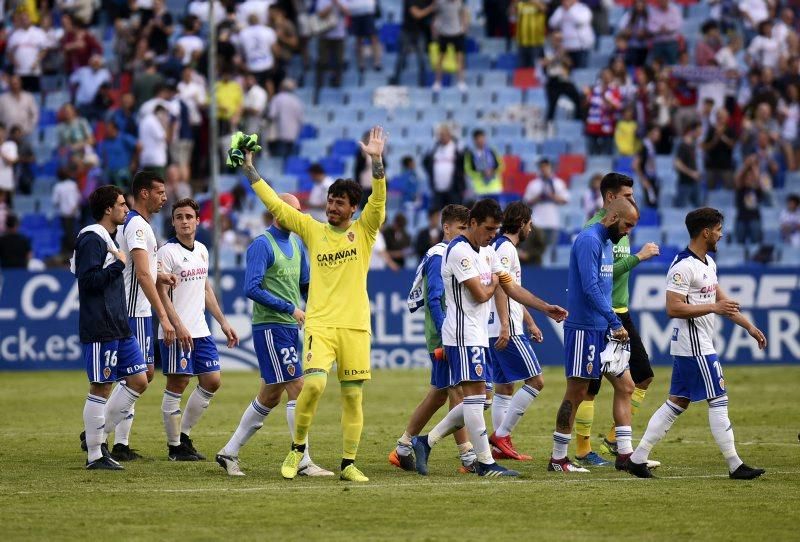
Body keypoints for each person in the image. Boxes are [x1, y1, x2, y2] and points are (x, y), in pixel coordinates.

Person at [241, 126, 388, 482]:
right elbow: (276, 205)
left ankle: (348, 463)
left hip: (354, 326)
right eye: (330, 200)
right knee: (314, 386)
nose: (333, 207)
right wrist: (250, 169)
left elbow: (379, 200)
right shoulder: (313, 230)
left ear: (354, 208)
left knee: (353, 398)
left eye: (340, 203)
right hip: (319, 325)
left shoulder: (366, 230)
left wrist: (377, 161)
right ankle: (297, 450)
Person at [412, 199, 568, 477]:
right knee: (474, 399)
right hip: (461, 335)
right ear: (472, 223)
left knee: (480, 399)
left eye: (496, 230)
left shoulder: (486, 250)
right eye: (488, 229)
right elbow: (482, 294)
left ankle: (426, 441)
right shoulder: (458, 251)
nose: (493, 235)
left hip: (479, 334)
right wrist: (497, 280)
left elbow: (511, 287)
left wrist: (545, 308)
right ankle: (485, 462)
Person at [628, 208, 767, 480]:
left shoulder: (708, 264)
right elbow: (672, 308)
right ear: (705, 232)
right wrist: (714, 307)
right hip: (695, 346)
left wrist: (749, 326)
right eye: (717, 229)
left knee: (676, 403)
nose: (721, 234)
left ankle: (637, 458)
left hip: (695, 345)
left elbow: (723, 303)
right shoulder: (683, 266)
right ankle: (735, 464)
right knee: (718, 399)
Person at [216, 193, 332, 477]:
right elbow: (251, 288)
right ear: (277, 212)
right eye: (294, 211)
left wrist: (317, 305)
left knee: (269, 396)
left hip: (289, 327)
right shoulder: (261, 245)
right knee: (299, 388)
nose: (299, 216)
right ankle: (302, 459)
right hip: (270, 326)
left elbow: (305, 283)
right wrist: (289, 308)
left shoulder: (296, 242)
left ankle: (228, 452)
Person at [571, 173, 661, 468]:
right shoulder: (595, 231)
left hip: (619, 310)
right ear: (611, 198)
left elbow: (609, 272)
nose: (633, 200)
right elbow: (597, 277)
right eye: (627, 195)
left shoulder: (622, 226)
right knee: (588, 386)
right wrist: (638, 258)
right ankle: (581, 449)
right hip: (603, 314)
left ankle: (615, 442)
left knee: (641, 376)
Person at [548, 197, 640, 473]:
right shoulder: (589, 240)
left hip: (602, 329)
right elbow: (590, 287)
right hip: (584, 329)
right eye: (627, 225)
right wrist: (614, 320)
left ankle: (624, 455)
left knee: (626, 386)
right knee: (576, 392)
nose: (628, 232)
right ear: (613, 218)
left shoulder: (608, 243)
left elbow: (602, 286)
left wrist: (609, 322)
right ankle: (558, 458)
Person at [390, 204, 476, 473]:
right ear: (446, 228)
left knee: (440, 394)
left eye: (467, 228)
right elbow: (435, 301)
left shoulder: (454, 253)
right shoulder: (440, 256)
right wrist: (445, 336)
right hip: (445, 336)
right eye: (460, 228)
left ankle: (403, 447)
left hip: (450, 333)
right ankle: (468, 456)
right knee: (458, 391)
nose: (464, 233)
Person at [155, 198, 238, 461]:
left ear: (198, 220)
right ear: (173, 222)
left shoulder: (202, 249)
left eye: (189, 216)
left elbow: (205, 289)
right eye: (179, 217)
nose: (184, 221)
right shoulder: (166, 252)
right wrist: (176, 325)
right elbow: (160, 291)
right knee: (178, 383)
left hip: (201, 329)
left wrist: (223, 322)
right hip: (177, 330)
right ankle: (174, 446)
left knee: (212, 380)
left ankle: (185, 435)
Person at [104, 170, 176, 461]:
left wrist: (163, 273)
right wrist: (165, 315)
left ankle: (119, 443)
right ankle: (97, 432)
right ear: (144, 193)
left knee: (138, 376)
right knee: (139, 377)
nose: (165, 197)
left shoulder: (143, 225)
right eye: (160, 192)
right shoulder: (135, 225)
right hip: (132, 311)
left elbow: (144, 268)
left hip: (141, 314)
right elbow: (142, 274)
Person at [75, 186, 149, 470]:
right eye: (121, 204)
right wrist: (119, 265)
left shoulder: (110, 237)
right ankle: (95, 454)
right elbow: (88, 281)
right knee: (101, 385)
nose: (126, 209)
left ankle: (95, 435)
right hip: (100, 325)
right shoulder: (91, 238)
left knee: (139, 380)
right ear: (108, 209)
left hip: (120, 324)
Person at [487, 201, 558, 461]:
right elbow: (500, 288)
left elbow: (512, 290)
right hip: (504, 328)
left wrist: (530, 321)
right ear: (521, 223)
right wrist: (507, 325)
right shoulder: (506, 249)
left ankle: (498, 447)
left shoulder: (499, 247)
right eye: (530, 223)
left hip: (494, 327)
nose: (532, 228)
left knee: (504, 387)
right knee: (536, 381)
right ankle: (502, 435)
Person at [523, 158, 569, 252]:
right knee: (536, 249)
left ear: (550, 168)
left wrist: (552, 196)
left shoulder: (558, 183)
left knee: (550, 250)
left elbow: (565, 199)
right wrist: (538, 198)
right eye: (542, 167)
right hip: (537, 222)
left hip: (552, 221)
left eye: (546, 167)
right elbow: (526, 201)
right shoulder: (533, 184)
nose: (544, 169)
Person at [391, 0, 435, 87]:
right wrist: (431, 8)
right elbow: (417, 14)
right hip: (407, 31)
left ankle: (422, 81)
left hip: (420, 31)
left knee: (422, 58)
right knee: (401, 56)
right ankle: (395, 79)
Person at [423, 125, 465, 209]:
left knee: (454, 214)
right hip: (437, 189)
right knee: (437, 213)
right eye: (440, 135)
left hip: (454, 189)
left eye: (444, 134)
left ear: (449, 135)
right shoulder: (434, 148)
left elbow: (463, 164)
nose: (442, 137)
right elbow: (426, 162)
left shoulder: (457, 148)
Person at [432, 0, 469, 92]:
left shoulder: (460, 2)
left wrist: (464, 27)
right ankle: (437, 82)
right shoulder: (440, 3)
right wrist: (435, 29)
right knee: (440, 59)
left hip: (457, 33)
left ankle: (461, 82)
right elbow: (435, 16)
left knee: (459, 59)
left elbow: (463, 14)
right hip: (444, 33)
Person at [548, 0, 594, 69]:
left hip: (581, 46)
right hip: (566, 46)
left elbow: (581, 21)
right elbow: (552, 23)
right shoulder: (561, 9)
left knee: (579, 70)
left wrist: (569, 10)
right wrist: (561, 12)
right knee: (568, 70)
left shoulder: (583, 9)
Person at [268, 79, 304, 159]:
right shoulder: (297, 101)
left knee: (278, 161)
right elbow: (301, 120)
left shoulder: (277, 98)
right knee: (289, 161)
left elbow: (272, 115)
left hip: (279, 135)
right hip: (293, 136)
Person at [464, 129, 504, 197]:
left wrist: (492, 171)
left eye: (482, 138)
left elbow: (501, 166)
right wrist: (482, 173)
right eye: (478, 139)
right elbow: (468, 171)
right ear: (474, 140)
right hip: (479, 190)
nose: (481, 141)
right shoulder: (470, 154)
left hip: (494, 188)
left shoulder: (492, 151)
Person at [52, 167, 82, 258]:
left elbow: (55, 202)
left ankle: (70, 253)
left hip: (65, 214)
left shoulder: (58, 186)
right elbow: (78, 198)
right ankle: (73, 253)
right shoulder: (73, 184)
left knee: (68, 234)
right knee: (73, 233)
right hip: (74, 213)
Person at [674, 122, 703, 208]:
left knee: (699, 209)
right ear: (691, 131)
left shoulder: (694, 145)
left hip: (695, 182)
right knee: (680, 208)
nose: (700, 134)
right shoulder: (683, 145)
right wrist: (691, 173)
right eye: (698, 131)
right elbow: (677, 163)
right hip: (685, 183)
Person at [514, 0, 547, 69]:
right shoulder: (520, 4)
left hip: (536, 42)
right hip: (522, 42)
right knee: (521, 68)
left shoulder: (539, 3)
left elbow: (544, 9)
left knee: (535, 68)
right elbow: (510, 14)